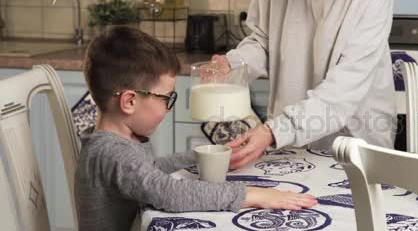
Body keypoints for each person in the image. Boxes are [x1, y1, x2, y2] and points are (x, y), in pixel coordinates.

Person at [208, 0, 397, 169]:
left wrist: (274, 131)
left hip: (355, 145)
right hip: (291, 144)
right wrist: (234, 66)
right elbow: (262, 40)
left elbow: (343, 90)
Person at [76, 26, 317, 231]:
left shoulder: (115, 143)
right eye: (166, 99)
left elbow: (149, 171)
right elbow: (168, 192)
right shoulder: (113, 153)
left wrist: (201, 156)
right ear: (130, 101)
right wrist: (249, 195)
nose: (169, 109)